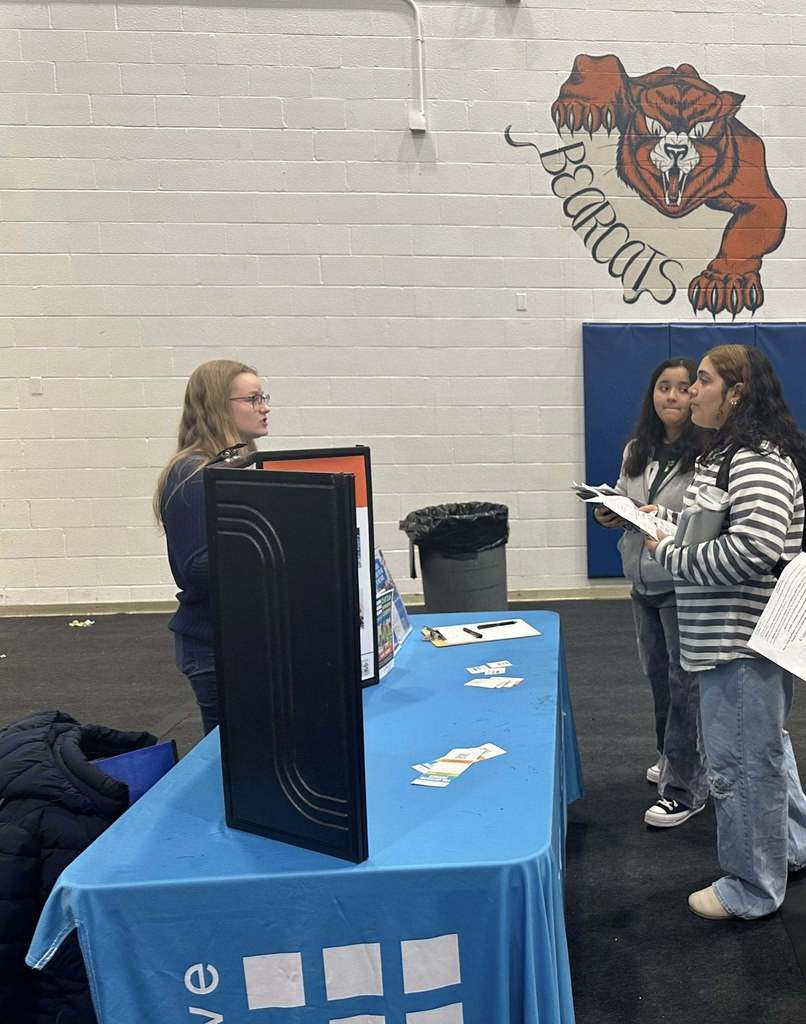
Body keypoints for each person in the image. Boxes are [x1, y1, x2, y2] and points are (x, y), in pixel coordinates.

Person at [645, 344, 806, 919]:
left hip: (741, 640)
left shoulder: (757, 459)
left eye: (703, 382)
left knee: (740, 764)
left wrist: (673, 557)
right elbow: (710, 527)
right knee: (761, 748)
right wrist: (655, 522)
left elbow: (754, 548)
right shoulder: (728, 454)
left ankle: (752, 888)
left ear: (736, 393)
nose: (690, 393)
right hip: (727, 637)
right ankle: (790, 847)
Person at [594, 358, 708, 827]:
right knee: (659, 677)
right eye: (664, 387)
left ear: (696, 397)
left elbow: (703, 520)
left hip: (682, 583)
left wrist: (659, 512)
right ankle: (671, 754)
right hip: (642, 583)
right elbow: (623, 494)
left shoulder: (709, 455)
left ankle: (685, 787)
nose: (673, 396)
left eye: (684, 388)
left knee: (685, 687)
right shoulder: (636, 449)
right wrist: (611, 510)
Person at [153, 360, 270, 734]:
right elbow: (198, 569)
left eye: (262, 397)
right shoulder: (192, 473)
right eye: (252, 399)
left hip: (239, 637)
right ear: (219, 407)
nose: (264, 407)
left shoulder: (234, 467)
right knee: (231, 758)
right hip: (213, 644)